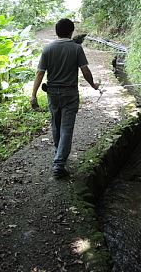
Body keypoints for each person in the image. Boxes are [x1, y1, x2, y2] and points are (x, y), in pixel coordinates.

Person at [31, 18, 100, 178]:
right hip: (70, 93)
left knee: (56, 124)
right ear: (71, 31)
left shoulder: (47, 49)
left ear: (56, 32)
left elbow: (40, 73)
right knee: (66, 127)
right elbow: (85, 71)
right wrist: (93, 85)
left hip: (52, 93)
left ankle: (58, 154)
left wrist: (33, 95)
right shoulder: (76, 48)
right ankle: (59, 164)